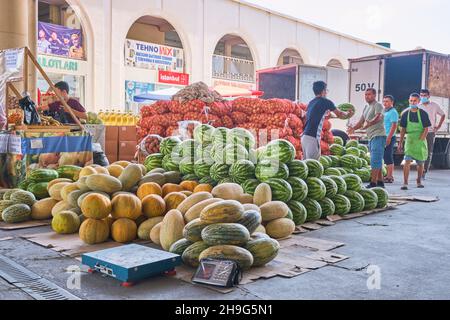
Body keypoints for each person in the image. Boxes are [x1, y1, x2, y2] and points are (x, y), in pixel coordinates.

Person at [302, 81, 354, 160]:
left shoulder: (311, 103)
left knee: (307, 164)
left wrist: (329, 116)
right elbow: (340, 114)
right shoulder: (326, 101)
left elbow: (316, 116)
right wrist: (348, 114)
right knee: (313, 166)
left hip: (304, 137)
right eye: (326, 90)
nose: (326, 93)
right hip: (312, 137)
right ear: (323, 91)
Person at [347, 88, 386, 189]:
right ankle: (380, 182)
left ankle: (373, 183)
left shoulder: (378, 105)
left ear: (374, 95)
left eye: (369, 94)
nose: (367, 96)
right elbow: (361, 122)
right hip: (371, 136)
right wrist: (353, 129)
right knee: (377, 159)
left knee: (374, 160)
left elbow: (379, 117)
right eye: (365, 94)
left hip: (378, 135)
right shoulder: (366, 107)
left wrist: (370, 123)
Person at [398, 93, 431, 190]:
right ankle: (405, 183)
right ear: (409, 101)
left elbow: (426, 128)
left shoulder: (423, 113)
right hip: (410, 139)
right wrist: (400, 142)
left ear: (418, 101)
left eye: (414, 101)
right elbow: (403, 129)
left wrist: (421, 139)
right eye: (411, 100)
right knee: (407, 161)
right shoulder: (405, 114)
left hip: (420, 139)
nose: (412, 102)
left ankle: (419, 181)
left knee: (420, 163)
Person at [419, 89, 446, 179]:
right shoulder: (418, 106)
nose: (423, 97)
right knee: (420, 152)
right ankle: (420, 170)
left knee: (428, 152)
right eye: (421, 95)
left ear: (428, 96)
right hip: (420, 132)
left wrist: (438, 126)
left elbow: (443, 114)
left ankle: (424, 172)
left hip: (430, 132)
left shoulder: (434, 105)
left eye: (424, 95)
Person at [382, 95, 399, 183]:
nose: (385, 103)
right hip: (383, 136)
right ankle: (386, 175)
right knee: (384, 156)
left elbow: (394, 126)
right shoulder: (385, 111)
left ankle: (390, 176)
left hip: (390, 137)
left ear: (392, 102)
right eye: (384, 101)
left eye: (387, 101)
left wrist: (388, 138)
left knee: (388, 156)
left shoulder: (393, 112)